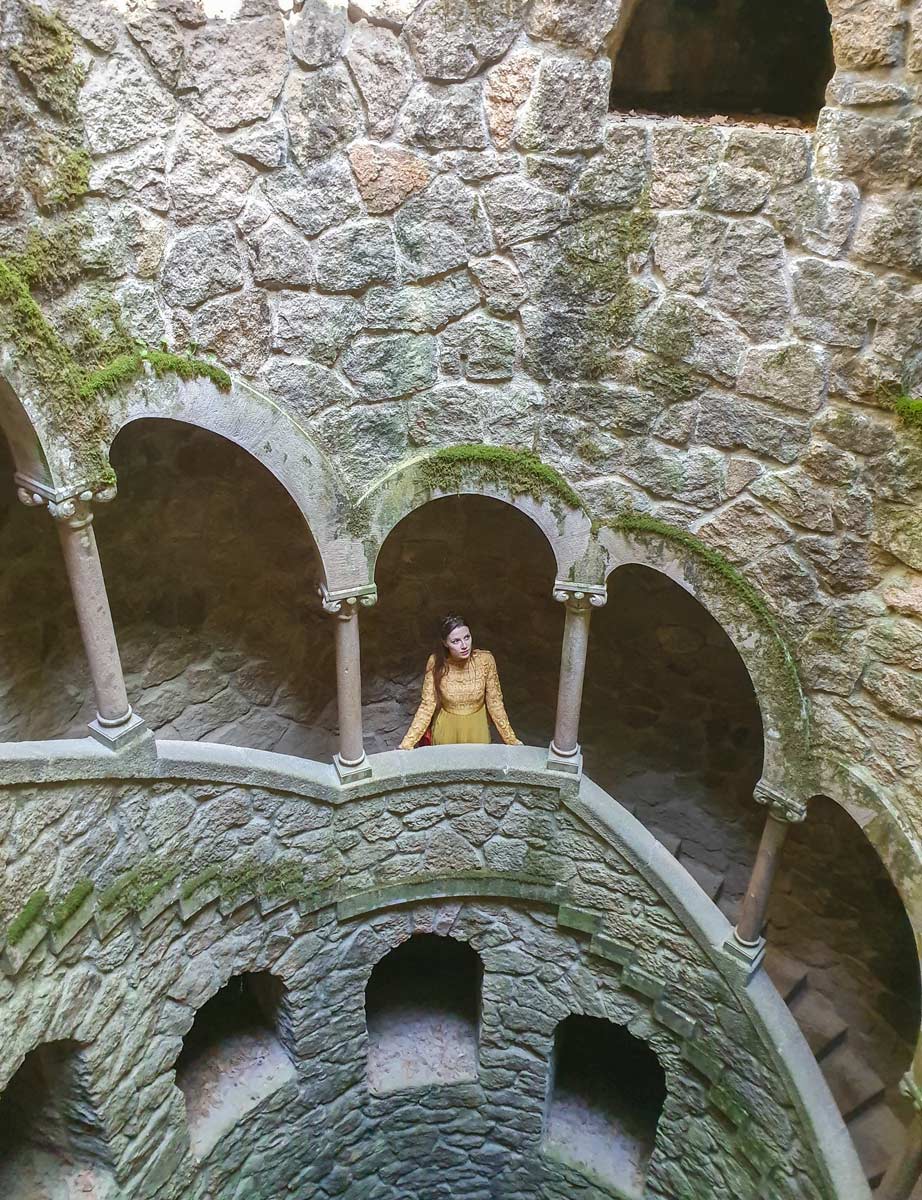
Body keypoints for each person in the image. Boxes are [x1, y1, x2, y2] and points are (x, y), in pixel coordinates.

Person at [398, 615, 523, 749]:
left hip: (476, 729)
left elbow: (495, 703)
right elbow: (427, 705)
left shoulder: (485, 660)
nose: (464, 645)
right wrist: (406, 744)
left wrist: (511, 740)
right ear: (445, 643)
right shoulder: (435, 663)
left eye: (467, 637)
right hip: (447, 729)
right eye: (456, 641)